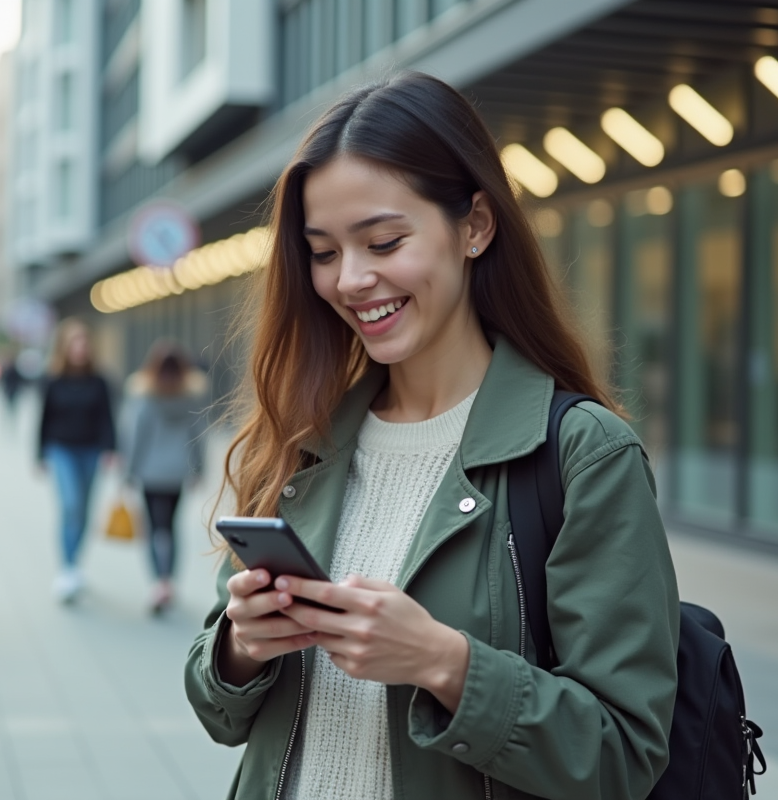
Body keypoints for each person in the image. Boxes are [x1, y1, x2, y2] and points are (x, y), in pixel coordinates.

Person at [184, 72, 680, 800]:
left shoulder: (584, 456)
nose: (351, 279)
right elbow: (218, 711)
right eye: (323, 252)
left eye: (383, 241)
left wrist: (445, 662)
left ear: (475, 226)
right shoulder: (304, 440)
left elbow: (623, 755)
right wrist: (238, 647)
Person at [123, 341, 208, 614]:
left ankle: (159, 582)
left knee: (154, 527)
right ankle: (168, 581)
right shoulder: (190, 398)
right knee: (170, 527)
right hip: (178, 473)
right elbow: (198, 438)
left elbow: (137, 437)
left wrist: (129, 472)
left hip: (150, 472)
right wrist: (199, 470)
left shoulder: (146, 397)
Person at [37, 318, 116, 602]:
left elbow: (108, 418)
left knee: (83, 511)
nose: (80, 348)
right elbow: (43, 418)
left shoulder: (99, 380)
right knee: (70, 506)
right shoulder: (52, 379)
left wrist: (111, 449)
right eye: (75, 342)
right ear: (64, 347)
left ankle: (76, 563)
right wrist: (39, 454)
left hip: (92, 450)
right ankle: (67, 568)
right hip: (61, 450)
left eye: (84, 342)